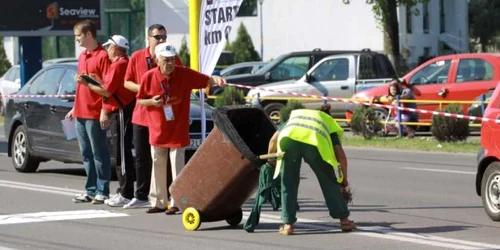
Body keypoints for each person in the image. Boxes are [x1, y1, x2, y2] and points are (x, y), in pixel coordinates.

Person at [137, 43, 225, 214]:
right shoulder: (148, 77)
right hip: (157, 128)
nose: (170, 63)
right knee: (157, 164)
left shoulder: (183, 74)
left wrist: (217, 80)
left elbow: (206, 79)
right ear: (157, 60)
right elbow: (140, 100)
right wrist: (151, 102)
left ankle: (176, 202)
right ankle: (158, 202)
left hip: (177, 129)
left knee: (177, 165)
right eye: (166, 60)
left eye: (171, 59)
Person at [123, 24, 183, 209]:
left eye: (164, 36)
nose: (161, 40)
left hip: (164, 116)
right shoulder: (137, 57)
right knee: (142, 156)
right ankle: (141, 195)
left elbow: (180, 78)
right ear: (148, 39)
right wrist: (145, 89)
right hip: (142, 114)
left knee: (163, 158)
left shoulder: (172, 56)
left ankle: (169, 198)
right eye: (157, 37)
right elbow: (126, 82)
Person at [274, 104, 357, 235]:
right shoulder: (327, 121)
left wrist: (269, 162)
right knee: (329, 181)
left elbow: (273, 139)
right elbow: (340, 154)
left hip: (289, 141)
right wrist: (344, 179)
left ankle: (288, 225)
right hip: (315, 144)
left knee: (288, 183)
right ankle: (344, 221)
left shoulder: (296, 116)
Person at [81, 35, 137, 207]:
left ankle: (126, 193)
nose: (106, 51)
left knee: (121, 153)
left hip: (120, 112)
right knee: (121, 152)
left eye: (108, 47)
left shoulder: (119, 65)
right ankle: (124, 191)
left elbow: (106, 91)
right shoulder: (122, 63)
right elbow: (110, 88)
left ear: (114, 48)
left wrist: (87, 84)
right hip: (120, 111)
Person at [68, 20, 112, 204]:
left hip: (94, 113)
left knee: (99, 153)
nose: (76, 39)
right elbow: (82, 88)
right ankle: (91, 190)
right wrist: (74, 108)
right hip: (80, 112)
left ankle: (103, 190)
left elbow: (107, 88)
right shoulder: (82, 56)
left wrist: (104, 110)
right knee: (86, 153)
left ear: (88, 35)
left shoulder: (102, 56)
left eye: (78, 36)